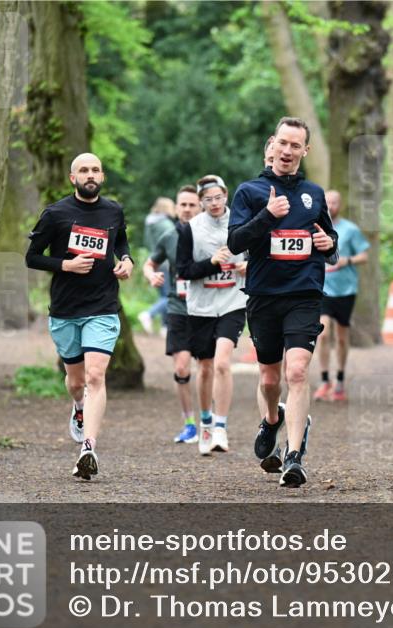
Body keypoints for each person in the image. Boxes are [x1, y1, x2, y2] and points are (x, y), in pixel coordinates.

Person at [228, 117, 338, 488]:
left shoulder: (314, 194)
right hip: (263, 296)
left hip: (304, 295)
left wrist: (330, 246)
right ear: (272, 145)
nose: (288, 151)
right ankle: (272, 420)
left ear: (305, 151)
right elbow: (236, 242)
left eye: (296, 146)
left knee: (297, 372)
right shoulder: (249, 192)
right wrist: (266, 217)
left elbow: (328, 239)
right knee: (270, 377)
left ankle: (294, 456)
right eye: (284, 144)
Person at [25, 152, 133, 480]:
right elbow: (31, 257)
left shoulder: (113, 210)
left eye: (95, 169)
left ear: (102, 176)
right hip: (66, 310)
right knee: (76, 382)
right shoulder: (56, 214)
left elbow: (122, 241)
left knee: (95, 376)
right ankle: (79, 407)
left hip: (102, 308)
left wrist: (127, 260)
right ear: (73, 177)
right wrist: (65, 265)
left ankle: (88, 447)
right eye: (83, 170)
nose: (90, 174)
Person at [177, 175, 248, 456]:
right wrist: (212, 263)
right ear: (201, 202)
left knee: (221, 363)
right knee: (204, 367)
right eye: (208, 199)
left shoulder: (242, 223)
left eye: (219, 197)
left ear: (226, 196)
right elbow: (183, 270)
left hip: (233, 301)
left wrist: (247, 267)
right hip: (201, 306)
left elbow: (257, 254)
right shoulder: (190, 229)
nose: (215, 203)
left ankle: (221, 425)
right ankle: (205, 421)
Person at [142, 184, 201, 444]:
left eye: (192, 205)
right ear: (176, 209)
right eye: (183, 205)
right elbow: (150, 262)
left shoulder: (211, 235)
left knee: (210, 368)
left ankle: (210, 421)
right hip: (178, 307)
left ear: (200, 207)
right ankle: (190, 423)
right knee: (181, 367)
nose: (187, 209)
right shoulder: (168, 236)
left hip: (207, 309)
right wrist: (150, 274)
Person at [314, 190, 370, 402]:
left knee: (342, 336)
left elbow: (364, 255)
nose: (331, 206)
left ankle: (340, 380)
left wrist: (347, 261)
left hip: (346, 290)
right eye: (327, 202)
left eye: (335, 202)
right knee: (323, 334)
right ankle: (324, 380)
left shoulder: (350, 229)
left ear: (341, 204)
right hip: (322, 289)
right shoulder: (315, 227)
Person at [138, 197, 176, 335]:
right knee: (169, 296)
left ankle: (164, 327)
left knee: (164, 295)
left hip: (153, 261)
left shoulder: (150, 222)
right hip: (166, 263)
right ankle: (148, 314)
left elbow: (148, 243)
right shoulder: (166, 225)